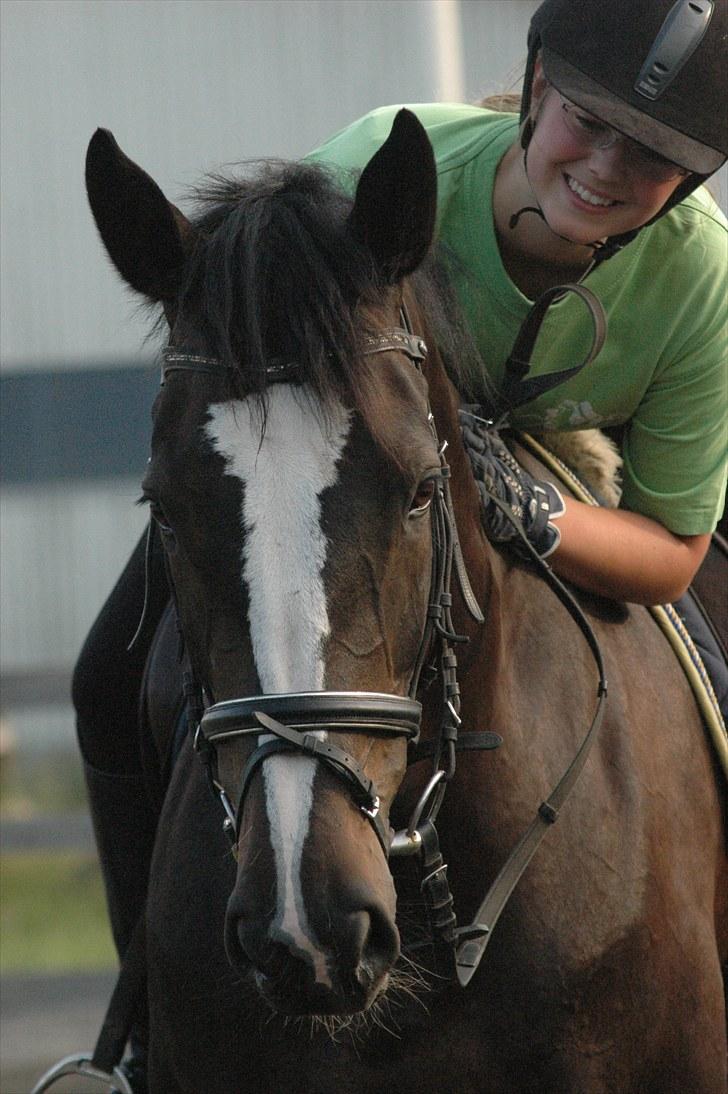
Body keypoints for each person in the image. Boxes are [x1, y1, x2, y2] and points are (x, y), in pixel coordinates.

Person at [72, 1, 726, 1087]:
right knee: (106, 676)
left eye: (654, 154)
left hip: (594, 502)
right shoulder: (372, 159)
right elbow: (253, 383)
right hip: (342, 481)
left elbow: (668, 546)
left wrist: (537, 516)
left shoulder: (700, 280)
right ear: (531, 89)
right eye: (586, 122)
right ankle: (143, 1025)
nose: (608, 167)